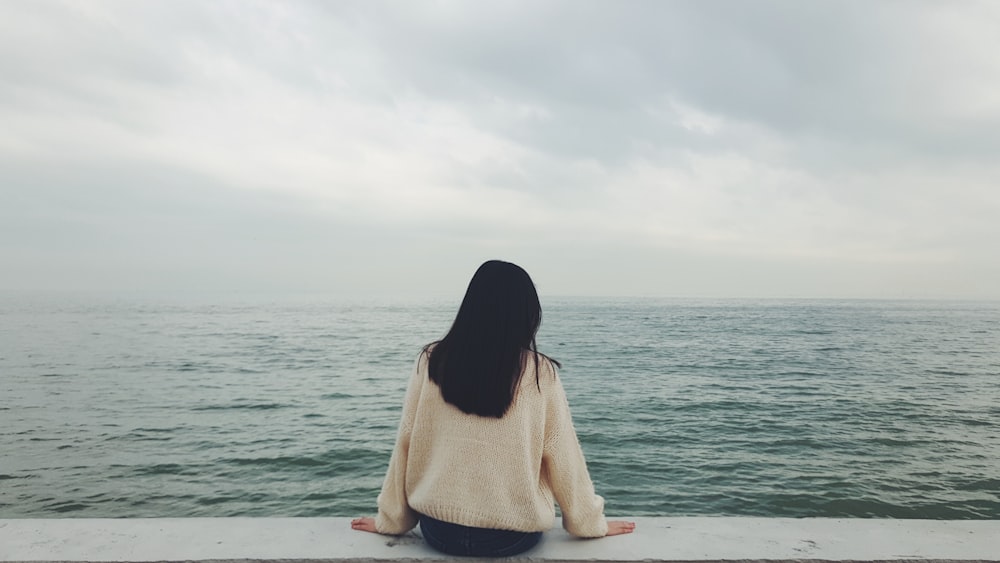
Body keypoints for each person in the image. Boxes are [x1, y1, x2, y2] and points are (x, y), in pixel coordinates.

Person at [351, 260, 635, 556]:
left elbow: (407, 441)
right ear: (526, 314)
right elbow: (563, 455)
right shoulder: (539, 372)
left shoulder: (431, 360)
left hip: (439, 531)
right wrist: (589, 523)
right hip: (510, 536)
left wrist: (391, 520)